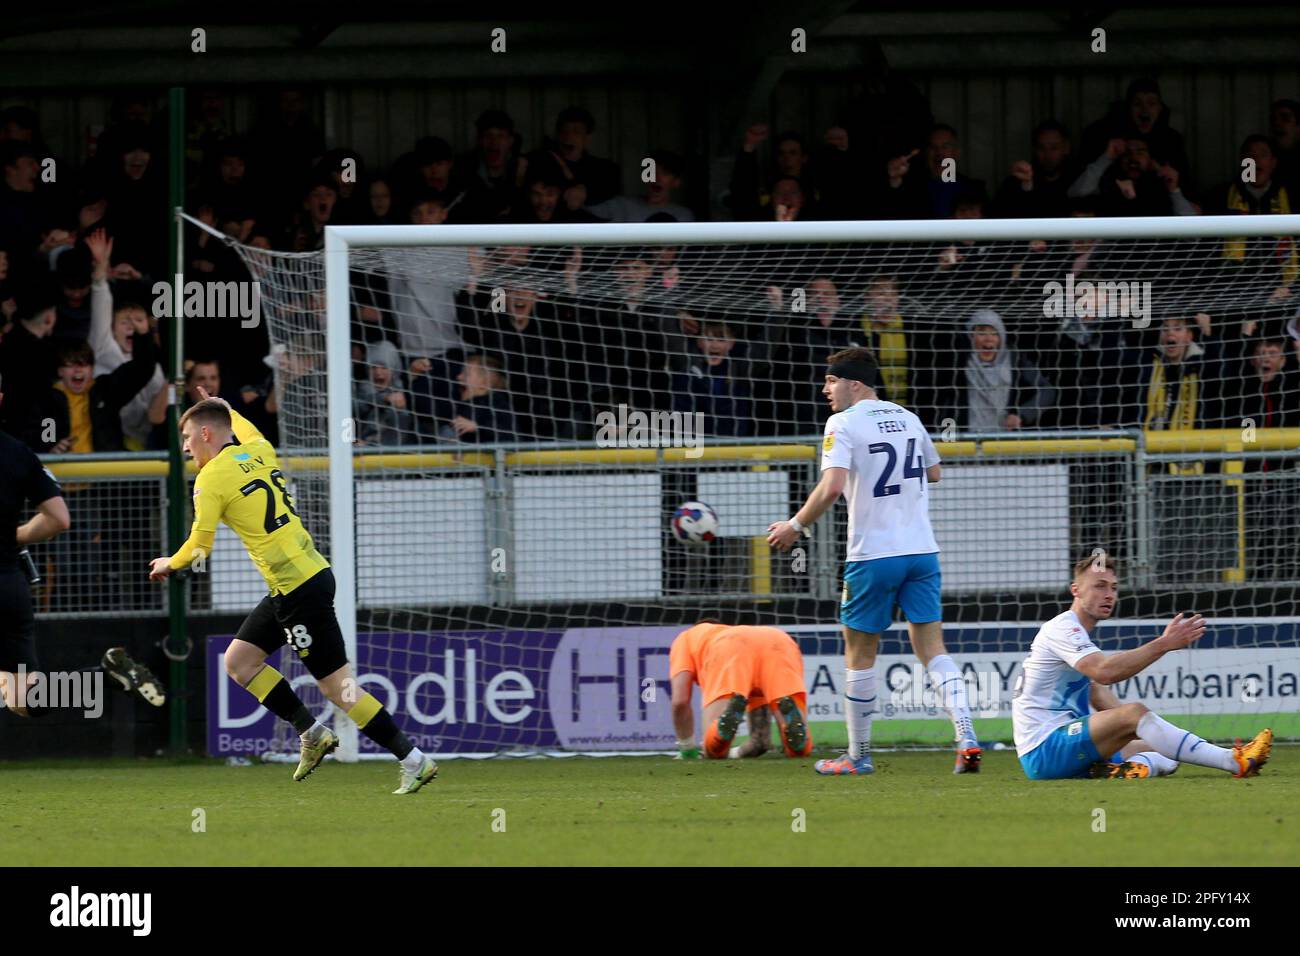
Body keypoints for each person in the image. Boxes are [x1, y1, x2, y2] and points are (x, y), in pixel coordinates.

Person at [147, 389, 437, 794]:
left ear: (208, 434)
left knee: (338, 687)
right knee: (239, 662)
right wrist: (224, 404)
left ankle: (413, 759)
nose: (186, 448)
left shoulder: (211, 478)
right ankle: (312, 732)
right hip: (302, 579)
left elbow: (199, 547)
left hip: (298, 588)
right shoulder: (260, 453)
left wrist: (168, 562)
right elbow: (244, 430)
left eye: (188, 439)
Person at [767, 347, 981, 775]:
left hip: (874, 555)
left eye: (831, 380)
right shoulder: (907, 416)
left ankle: (858, 756)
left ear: (855, 383)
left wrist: (796, 525)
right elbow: (935, 472)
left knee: (860, 653)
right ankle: (967, 737)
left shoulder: (842, 423)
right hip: (922, 551)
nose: (825, 389)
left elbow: (831, 487)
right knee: (933, 649)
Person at [1012, 553, 1272, 780]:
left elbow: (1094, 690)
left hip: (1062, 744)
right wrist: (1164, 644)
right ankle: (1235, 760)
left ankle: (1120, 771)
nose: (1108, 594)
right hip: (1044, 748)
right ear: (1076, 590)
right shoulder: (1063, 627)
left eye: (1113, 588)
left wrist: (1134, 728)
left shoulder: (1076, 633)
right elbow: (1105, 672)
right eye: (1099, 586)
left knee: (1164, 749)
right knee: (1137, 715)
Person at [0, 384, 163, 719]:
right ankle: (103, 676)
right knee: (22, 698)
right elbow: (59, 519)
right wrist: (17, 536)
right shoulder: (18, 453)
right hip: (8, 588)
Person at [669, 619, 812, 760]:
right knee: (798, 752)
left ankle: (720, 730)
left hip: (730, 646)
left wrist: (687, 749)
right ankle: (798, 742)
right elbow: (760, 741)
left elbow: (679, 701)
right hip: (779, 640)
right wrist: (735, 754)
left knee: (713, 750)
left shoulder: (687, 637)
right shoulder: (734, 633)